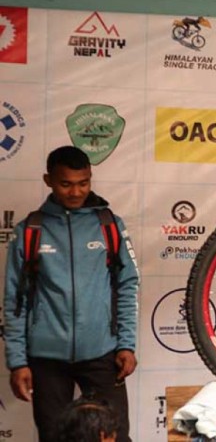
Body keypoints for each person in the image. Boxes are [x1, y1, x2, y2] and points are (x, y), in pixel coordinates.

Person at [3, 146, 139, 442]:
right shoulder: (30, 231)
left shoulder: (109, 225)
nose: (76, 192)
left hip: (103, 353)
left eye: (84, 182)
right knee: (55, 438)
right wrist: (17, 361)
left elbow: (127, 286)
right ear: (48, 180)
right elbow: (15, 300)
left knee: (116, 437)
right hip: (46, 359)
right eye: (66, 183)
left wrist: (126, 344)